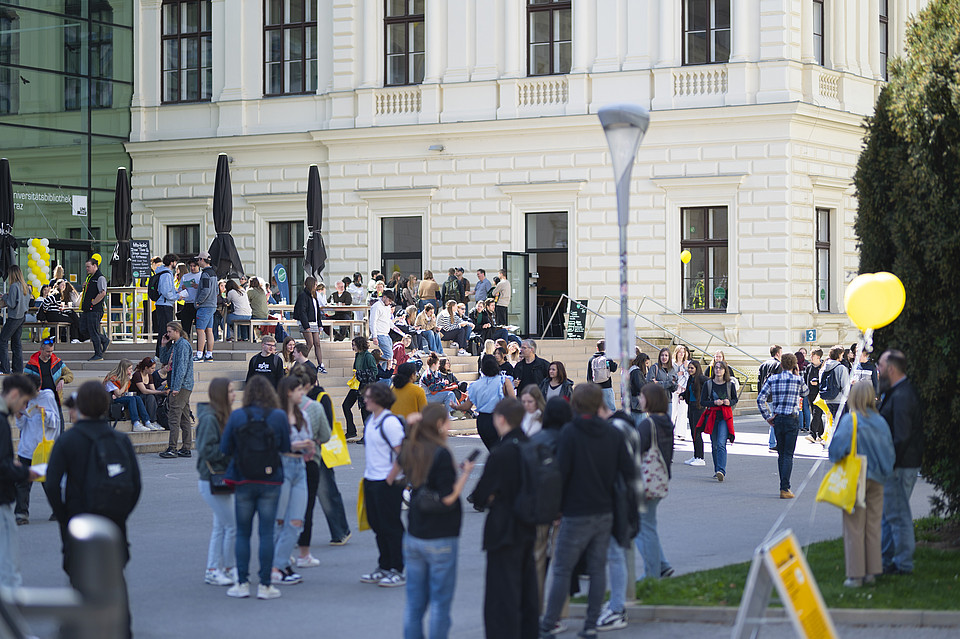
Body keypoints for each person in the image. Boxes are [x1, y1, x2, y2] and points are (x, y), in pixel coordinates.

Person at [538, 384, 635, 639]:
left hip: (575, 511)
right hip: (604, 510)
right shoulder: (612, 433)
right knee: (597, 569)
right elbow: (627, 471)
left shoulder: (570, 432)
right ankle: (590, 625)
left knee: (562, 568)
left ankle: (549, 623)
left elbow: (561, 473)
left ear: (576, 404)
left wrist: (556, 509)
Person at [44, 381, 139, 637]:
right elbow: (135, 484)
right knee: (115, 577)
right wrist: (121, 513)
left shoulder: (68, 440)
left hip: (79, 518)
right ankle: (121, 629)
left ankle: (77, 629)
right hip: (113, 521)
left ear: (81, 406)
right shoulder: (120, 439)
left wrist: (64, 516)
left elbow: (51, 484)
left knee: (79, 578)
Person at [398, 404, 476, 639]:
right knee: (440, 605)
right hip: (441, 535)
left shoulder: (412, 449)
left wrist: (411, 425)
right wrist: (465, 474)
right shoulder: (441, 454)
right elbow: (448, 498)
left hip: (415, 532)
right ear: (440, 424)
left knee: (414, 604)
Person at [470, 398, 538, 639]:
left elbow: (479, 496)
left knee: (501, 594)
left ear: (500, 419)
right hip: (528, 524)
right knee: (527, 588)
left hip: (503, 529)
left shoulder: (501, 452)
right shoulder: (531, 445)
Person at [220, 376, 291, 600]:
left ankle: (242, 583)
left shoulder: (238, 415)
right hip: (271, 480)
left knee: (243, 533)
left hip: (243, 478)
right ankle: (265, 585)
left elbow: (225, 448)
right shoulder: (278, 416)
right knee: (266, 533)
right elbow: (285, 447)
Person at [828, 382, 895, 588]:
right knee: (873, 526)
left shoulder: (851, 420)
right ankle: (872, 572)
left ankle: (856, 575)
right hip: (878, 479)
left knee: (854, 527)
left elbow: (835, 451)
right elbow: (890, 453)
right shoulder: (881, 421)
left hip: (856, 478)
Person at [877, 349, 924, 576]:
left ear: (891, 369)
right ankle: (885, 560)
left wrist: (889, 463)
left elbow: (902, 436)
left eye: (880, 366)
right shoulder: (898, 391)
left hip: (900, 465)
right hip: (899, 464)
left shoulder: (902, 395)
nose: (878, 370)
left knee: (898, 516)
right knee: (890, 515)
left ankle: (903, 564)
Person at [360, 383, 407, 587]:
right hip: (371, 479)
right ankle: (384, 566)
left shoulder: (390, 423)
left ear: (379, 399)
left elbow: (403, 454)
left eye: (369, 397)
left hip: (387, 482)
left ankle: (398, 568)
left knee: (391, 526)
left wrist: (390, 478)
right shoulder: (371, 420)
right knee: (377, 525)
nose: (365, 400)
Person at [271, 376, 314, 586]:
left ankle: (279, 565)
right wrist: (294, 445)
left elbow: (309, 440)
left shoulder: (303, 415)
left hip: (300, 467)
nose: (302, 393)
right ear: (288, 392)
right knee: (279, 520)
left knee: (296, 520)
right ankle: (278, 566)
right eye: (298, 390)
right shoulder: (276, 416)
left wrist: (308, 446)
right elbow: (273, 443)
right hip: (283, 465)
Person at [195, 377, 237, 587]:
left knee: (221, 526)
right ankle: (224, 568)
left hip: (220, 477)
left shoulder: (222, 416)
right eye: (230, 391)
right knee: (231, 525)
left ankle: (217, 569)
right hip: (212, 478)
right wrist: (231, 452)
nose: (234, 395)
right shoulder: (210, 418)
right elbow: (206, 450)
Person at [0, 376, 39, 586]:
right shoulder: (1, 422)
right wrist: (24, 473)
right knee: (8, 564)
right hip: (2, 500)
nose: (24, 408)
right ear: (14, 395)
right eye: (24, 402)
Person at [756, 353, 807, 499]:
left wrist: (767, 417)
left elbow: (760, 399)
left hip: (778, 418)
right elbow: (806, 392)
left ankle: (783, 485)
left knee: (781, 454)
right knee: (788, 455)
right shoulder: (798, 380)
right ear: (794, 365)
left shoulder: (773, 379)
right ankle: (785, 487)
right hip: (792, 419)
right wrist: (798, 374)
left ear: (781, 364)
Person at [13, 382, 58, 526]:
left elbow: (55, 423)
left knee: (48, 482)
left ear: (38, 388)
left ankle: (58, 510)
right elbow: (21, 425)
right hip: (26, 447)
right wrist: (19, 416)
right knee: (22, 482)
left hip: (41, 448)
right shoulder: (23, 398)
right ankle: (21, 514)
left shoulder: (47, 397)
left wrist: (45, 413)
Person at [463, 355, 517, 450]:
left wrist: (455, 406)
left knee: (494, 449)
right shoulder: (503, 380)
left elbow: (467, 405)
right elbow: (513, 401)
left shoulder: (477, 384)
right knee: (498, 449)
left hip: (482, 420)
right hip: (497, 417)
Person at [158, 321, 195, 458]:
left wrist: (176, 387)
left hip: (181, 386)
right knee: (184, 417)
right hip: (179, 385)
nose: (167, 334)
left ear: (177, 331)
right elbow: (164, 360)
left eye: (169, 331)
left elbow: (181, 368)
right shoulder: (175, 345)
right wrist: (163, 345)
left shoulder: (183, 345)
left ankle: (172, 448)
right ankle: (186, 448)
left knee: (174, 417)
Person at [698, 360, 738, 482]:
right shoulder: (708, 384)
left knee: (721, 443)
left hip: (724, 417)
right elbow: (702, 401)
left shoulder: (729, 385)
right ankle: (717, 470)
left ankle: (721, 470)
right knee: (714, 445)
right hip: (712, 416)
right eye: (716, 368)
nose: (718, 370)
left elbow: (735, 399)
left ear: (725, 370)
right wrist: (714, 402)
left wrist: (729, 402)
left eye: (720, 368)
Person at [103, 359, 158, 433]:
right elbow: (118, 393)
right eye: (129, 369)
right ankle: (136, 423)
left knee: (137, 398)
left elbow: (122, 393)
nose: (131, 371)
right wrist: (126, 381)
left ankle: (147, 421)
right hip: (111, 401)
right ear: (123, 369)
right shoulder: (112, 379)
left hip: (119, 397)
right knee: (131, 399)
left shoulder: (123, 377)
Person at [343, 336, 378, 440]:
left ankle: (367, 435)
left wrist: (360, 373)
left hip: (365, 387)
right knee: (346, 405)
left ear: (359, 345)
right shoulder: (357, 355)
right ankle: (351, 431)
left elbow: (374, 371)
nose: (352, 347)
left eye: (354, 345)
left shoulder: (368, 356)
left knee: (365, 411)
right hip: (357, 385)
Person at [25, 337, 73, 406]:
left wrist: (63, 379)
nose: (50, 354)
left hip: (55, 400)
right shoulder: (31, 364)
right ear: (41, 349)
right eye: (47, 351)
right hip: (39, 400)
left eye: (52, 351)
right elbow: (25, 381)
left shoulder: (57, 362)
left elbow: (70, 374)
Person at [293, 276, 327, 373]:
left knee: (317, 343)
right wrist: (306, 325)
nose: (316, 286)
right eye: (315, 284)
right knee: (310, 343)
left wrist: (320, 324)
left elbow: (317, 312)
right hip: (306, 323)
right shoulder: (303, 296)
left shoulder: (314, 296)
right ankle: (299, 361)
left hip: (314, 323)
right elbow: (302, 311)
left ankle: (320, 365)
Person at [79, 258, 110, 361]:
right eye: (86, 267)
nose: (87, 269)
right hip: (87, 309)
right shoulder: (90, 278)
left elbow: (102, 293)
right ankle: (104, 340)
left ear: (95, 266)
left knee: (93, 331)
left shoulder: (100, 278)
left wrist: (93, 303)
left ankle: (98, 354)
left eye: (88, 266)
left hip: (95, 309)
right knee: (83, 329)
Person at [758, 345, 784, 451]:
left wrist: (760, 395)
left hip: (766, 395)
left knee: (773, 417)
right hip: (775, 396)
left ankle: (773, 442)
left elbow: (759, 381)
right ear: (777, 353)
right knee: (775, 419)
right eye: (781, 352)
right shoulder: (778, 365)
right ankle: (773, 442)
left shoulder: (763, 364)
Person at [682, 359, 708, 466]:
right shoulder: (690, 379)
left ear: (697, 369)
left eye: (692, 368)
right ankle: (696, 455)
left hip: (699, 408)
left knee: (697, 432)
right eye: (689, 368)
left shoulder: (701, 378)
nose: (689, 370)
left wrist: (705, 399)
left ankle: (700, 457)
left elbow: (709, 384)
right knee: (693, 432)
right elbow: (688, 392)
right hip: (691, 407)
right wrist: (682, 395)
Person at [153, 254, 180, 354]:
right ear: (172, 262)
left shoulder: (163, 272)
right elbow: (166, 292)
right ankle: (163, 353)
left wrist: (176, 293)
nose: (175, 264)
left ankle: (161, 353)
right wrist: (176, 296)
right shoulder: (166, 274)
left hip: (163, 304)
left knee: (164, 330)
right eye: (175, 262)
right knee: (166, 330)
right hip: (165, 304)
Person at [194, 251, 218, 362]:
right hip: (212, 305)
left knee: (200, 330)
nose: (198, 262)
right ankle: (209, 354)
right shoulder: (213, 273)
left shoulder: (205, 274)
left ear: (202, 260)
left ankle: (199, 354)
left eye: (198, 259)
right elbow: (216, 290)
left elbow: (206, 290)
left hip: (205, 306)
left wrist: (199, 301)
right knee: (209, 330)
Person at [820, 346, 851, 424]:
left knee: (835, 422)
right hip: (839, 399)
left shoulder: (824, 368)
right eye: (842, 355)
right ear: (839, 355)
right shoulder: (841, 368)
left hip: (827, 399)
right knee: (840, 424)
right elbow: (845, 386)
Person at [370, 290, 399, 371]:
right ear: (384, 297)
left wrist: (394, 328)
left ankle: (382, 373)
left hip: (386, 333)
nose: (390, 303)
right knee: (389, 354)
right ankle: (372, 362)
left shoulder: (388, 307)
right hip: (379, 334)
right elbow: (372, 322)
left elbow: (387, 320)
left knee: (390, 356)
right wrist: (374, 336)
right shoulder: (376, 306)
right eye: (389, 300)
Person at [586, 339, 619, 411]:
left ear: (597, 348)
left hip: (595, 388)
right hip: (607, 387)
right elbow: (613, 369)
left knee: (596, 409)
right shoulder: (607, 358)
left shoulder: (591, 359)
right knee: (610, 409)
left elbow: (589, 376)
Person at [646, 347, 678, 416]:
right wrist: (669, 383)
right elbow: (650, 383)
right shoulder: (655, 367)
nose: (664, 357)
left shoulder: (672, 369)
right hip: (656, 401)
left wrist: (673, 384)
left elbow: (674, 387)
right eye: (662, 355)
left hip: (668, 401)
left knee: (667, 421)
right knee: (656, 421)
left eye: (666, 355)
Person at [804, 348, 825, 443]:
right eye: (811, 355)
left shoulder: (823, 367)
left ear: (818, 357)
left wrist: (818, 383)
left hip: (819, 394)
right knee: (815, 414)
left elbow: (825, 381)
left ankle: (812, 434)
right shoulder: (809, 367)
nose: (811, 357)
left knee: (817, 413)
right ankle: (821, 435)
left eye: (813, 356)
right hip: (810, 394)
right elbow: (805, 379)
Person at [178, 258, 201, 337]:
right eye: (190, 266)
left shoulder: (201, 275)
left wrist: (198, 286)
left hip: (198, 303)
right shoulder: (185, 276)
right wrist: (182, 288)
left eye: (194, 266)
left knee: (199, 327)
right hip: (187, 303)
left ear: (198, 266)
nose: (192, 268)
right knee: (185, 327)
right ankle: (185, 341)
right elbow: (179, 290)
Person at [671, 345, 691, 432]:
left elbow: (690, 375)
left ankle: (680, 432)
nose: (682, 354)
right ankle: (669, 431)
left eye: (683, 352)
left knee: (682, 411)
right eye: (680, 352)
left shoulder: (687, 363)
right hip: (674, 389)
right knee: (672, 410)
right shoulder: (672, 363)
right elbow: (669, 375)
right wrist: (677, 375)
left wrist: (685, 370)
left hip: (684, 389)